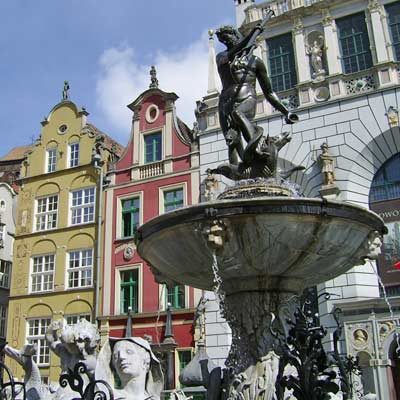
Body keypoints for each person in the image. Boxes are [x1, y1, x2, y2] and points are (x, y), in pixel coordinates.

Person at [215, 20, 298, 167]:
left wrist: (286, 112)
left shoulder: (255, 62)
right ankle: (238, 175)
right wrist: (252, 34)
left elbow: (269, 92)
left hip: (246, 98)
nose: (226, 43)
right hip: (225, 103)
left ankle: (257, 148)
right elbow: (234, 51)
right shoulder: (222, 57)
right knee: (232, 141)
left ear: (236, 35)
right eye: (223, 41)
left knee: (238, 113)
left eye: (228, 38)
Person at [95, 337, 163, 400]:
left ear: (146, 362)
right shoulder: (107, 397)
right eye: (115, 356)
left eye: (129, 352)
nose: (121, 357)